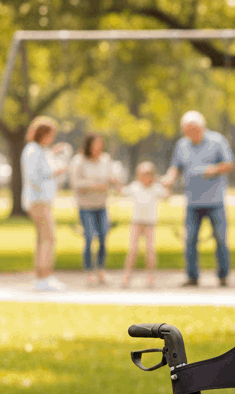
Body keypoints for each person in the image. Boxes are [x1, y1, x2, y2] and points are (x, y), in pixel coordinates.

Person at [161, 111, 235, 287]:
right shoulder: (182, 145)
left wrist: (213, 169)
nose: (190, 133)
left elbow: (229, 164)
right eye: (186, 130)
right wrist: (169, 179)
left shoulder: (217, 140)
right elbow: (175, 167)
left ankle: (223, 276)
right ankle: (192, 276)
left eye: (193, 130)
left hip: (215, 200)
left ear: (201, 127)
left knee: (221, 239)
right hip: (193, 201)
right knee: (190, 239)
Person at [21, 116, 71, 292]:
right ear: (43, 134)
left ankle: (41, 276)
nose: (52, 139)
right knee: (49, 238)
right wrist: (55, 171)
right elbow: (35, 175)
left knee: (42, 239)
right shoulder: (33, 150)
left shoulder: (38, 150)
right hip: (39, 200)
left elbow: (42, 163)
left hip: (40, 200)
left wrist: (52, 154)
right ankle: (45, 277)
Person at [69, 133, 118, 286]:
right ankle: (89, 270)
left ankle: (101, 270)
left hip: (101, 205)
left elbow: (112, 178)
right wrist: (94, 186)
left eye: (101, 145)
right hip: (85, 206)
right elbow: (75, 183)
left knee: (103, 236)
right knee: (89, 237)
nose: (99, 148)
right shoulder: (79, 161)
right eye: (96, 145)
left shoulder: (105, 160)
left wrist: (112, 181)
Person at [121, 162, 169, 287]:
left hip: (150, 224)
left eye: (148, 175)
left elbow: (166, 195)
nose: (145, 178)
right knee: (133, 250)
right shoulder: (135, 186)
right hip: (137, 223)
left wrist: (167, 185)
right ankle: (127, 276)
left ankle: (150, 277)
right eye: (142, 175)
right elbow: (122, 191)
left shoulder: (156, 188)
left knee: (150, 250)